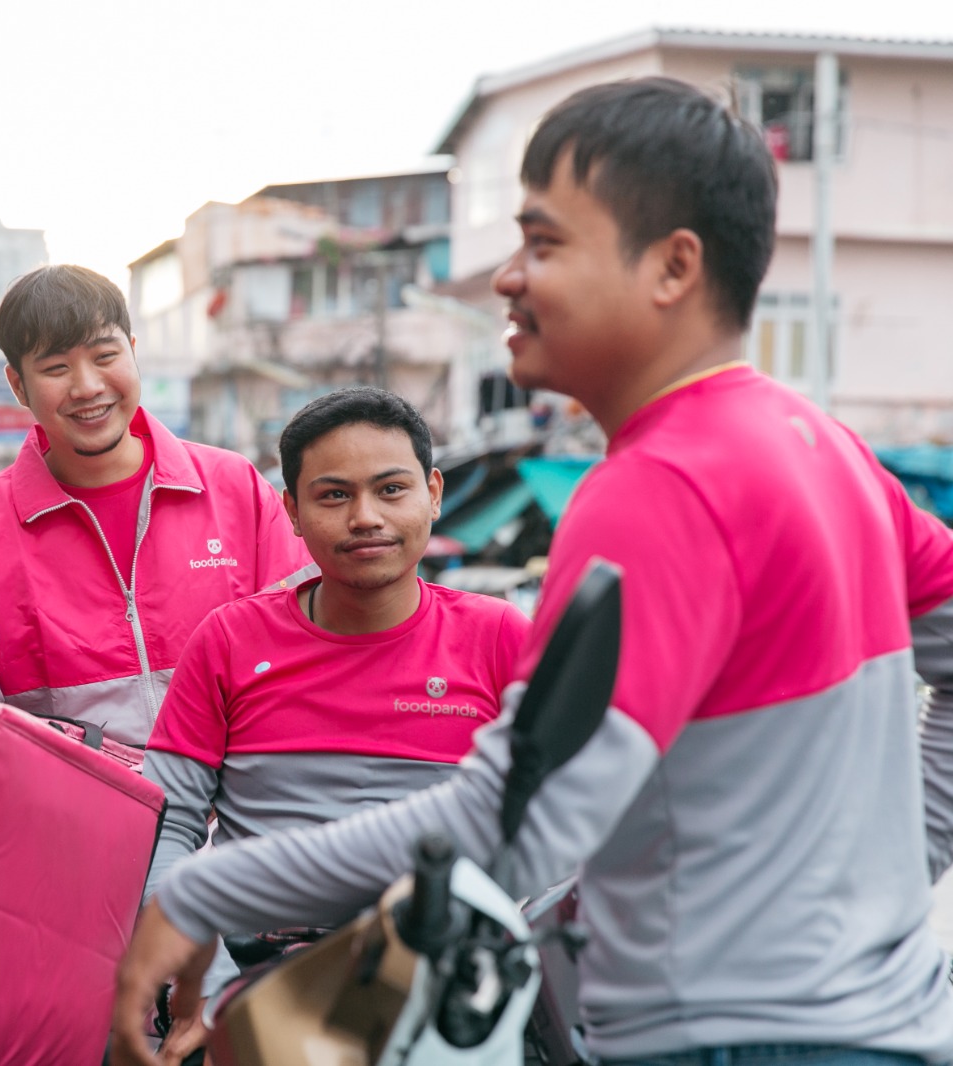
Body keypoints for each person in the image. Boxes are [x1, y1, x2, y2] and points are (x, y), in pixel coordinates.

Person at [111, 77, 953, 1066]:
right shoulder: (823, 448)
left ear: (672, 267)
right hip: (875, 1023)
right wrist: (900, 861)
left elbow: (506, 815)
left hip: (728, 1038)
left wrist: (201, 894)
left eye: (545, 243)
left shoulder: (658, 485)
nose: (509, 277)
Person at [143, 386, 529, 1062]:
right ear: (290, 510)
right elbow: (166, 828)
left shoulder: (500, 638)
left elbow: (549, 826)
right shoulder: (230, 641)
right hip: (260, 988)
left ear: (433, 494)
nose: (366, 518)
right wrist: (210, 989)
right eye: (332, 496)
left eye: (391, 489)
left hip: (447, 998)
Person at [0, 265, 313, 747]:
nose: (87, 387)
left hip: (240, 812)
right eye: (56, 368)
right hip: (77, 814)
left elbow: (308, 650)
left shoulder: (235, 488)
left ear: (133, 350)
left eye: (106, 355)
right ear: (18, 385)